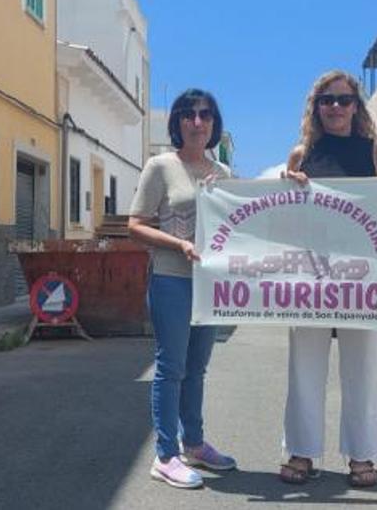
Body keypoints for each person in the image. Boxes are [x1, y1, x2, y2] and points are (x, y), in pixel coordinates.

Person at [278, 70, 377, 488]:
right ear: (316, 107)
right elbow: (286, 218)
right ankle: (302, 450)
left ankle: (362, 454)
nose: (335, 108)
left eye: (344, 100)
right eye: (327, 101)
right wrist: (287, 191)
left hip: (359, 276)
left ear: (356, 106)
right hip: (309, 275)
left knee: (361, 366)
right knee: (304, 366)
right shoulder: (300, 155)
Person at [127, 89, 236, 489]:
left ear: (214, 123)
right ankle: (166, 455)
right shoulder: (160, 166)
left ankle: (194, 444)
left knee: (197, 369)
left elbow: (240, 227)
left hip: (210, 285)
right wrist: (179, 244)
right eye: (189, 114)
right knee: (171, 367)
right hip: (172, 279)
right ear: (177, 122)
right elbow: (135, 224)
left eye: (205, 114)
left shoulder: (223, 175)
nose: (197, 121)